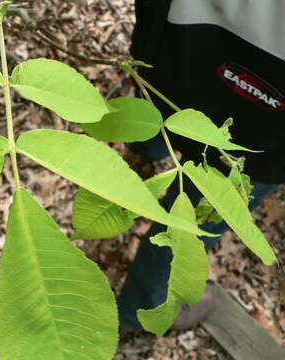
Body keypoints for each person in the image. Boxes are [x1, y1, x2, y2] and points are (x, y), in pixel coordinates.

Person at [118, 0, 285, 330]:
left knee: (158, 114)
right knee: (189, 225)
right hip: (261, 133)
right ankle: (144, 308)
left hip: (178, 41)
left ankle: (143, 151)